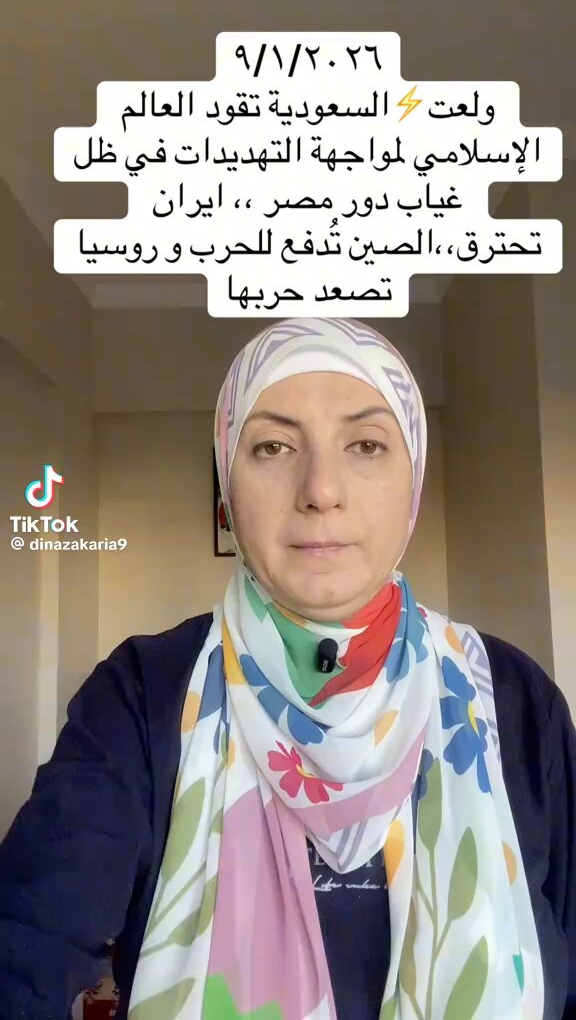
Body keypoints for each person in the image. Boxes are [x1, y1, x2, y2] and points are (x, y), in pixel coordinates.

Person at [0, 317, 574, 1020]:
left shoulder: (514, 701)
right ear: (227, 480)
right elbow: (26, 939)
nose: (321, 490)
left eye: (366, 445)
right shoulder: (142, 693)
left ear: (414, 478)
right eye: (273, 446)